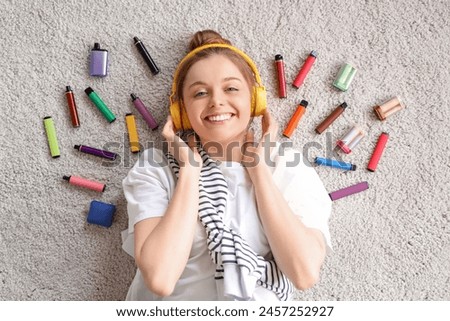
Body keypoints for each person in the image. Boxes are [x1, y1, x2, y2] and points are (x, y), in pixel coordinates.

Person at [122, 30, 332, 301]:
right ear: (181, 111)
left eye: (231, 88)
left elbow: (303, 273)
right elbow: (160, 278)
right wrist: (189, 172)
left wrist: (258, 170)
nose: (216, 101)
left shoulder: (289, 168)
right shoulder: (155, 169)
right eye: (199, 93)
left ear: (255, 100)